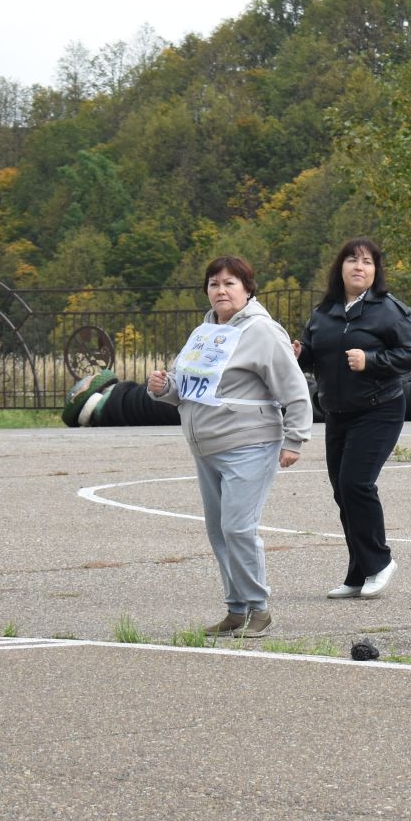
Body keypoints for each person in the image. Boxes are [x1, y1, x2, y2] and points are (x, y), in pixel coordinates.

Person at [149, 257, 313, 639]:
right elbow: (192, 390)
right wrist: (165, 388)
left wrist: (295, 439)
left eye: (230, 283)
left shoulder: (262, 331)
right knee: (219, 531)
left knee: (239, 527)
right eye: (213, 284)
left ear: (248, 289)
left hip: (249, 442)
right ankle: (235, 609)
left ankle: (259, 609)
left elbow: (294, 386)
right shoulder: (203, 333)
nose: (221, 290)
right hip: (206, 446)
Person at [295, 238, 411, 601]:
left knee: (356, 485)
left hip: (379, 408)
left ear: (376, 271)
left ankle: (380, 562)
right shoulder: (324, 312)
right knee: (343, 493)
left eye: (367, 262)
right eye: (352, 260)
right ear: (340, 268)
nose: (359, 267)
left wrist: (372, 361)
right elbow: (312, 357)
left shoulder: (389, 310)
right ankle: (358, 572)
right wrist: (299, 353)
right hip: (337, 413)